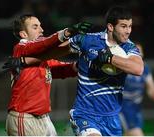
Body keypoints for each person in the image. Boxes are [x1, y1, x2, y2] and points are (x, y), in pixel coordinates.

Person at [56, 5, 144, 136]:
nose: (128, 31)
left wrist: (110, 58)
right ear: (110, 27)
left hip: (112, 118)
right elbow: (56, 50)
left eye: (130, 26)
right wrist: (66, 34)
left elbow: (138, 69)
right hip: (85, 114)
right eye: (124, 26)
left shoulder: (128, 47)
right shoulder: (88, 40)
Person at [4, 14, 92, 136]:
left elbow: (63, 69)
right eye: (35, 27)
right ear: (23, 34)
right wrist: (67, 32)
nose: (41, 30)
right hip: (24, 118)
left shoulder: (42, 59)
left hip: (44, 119)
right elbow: (44, 44)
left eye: (40, 26)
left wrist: (86, 63)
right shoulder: (20, 48)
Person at [119, 42, 154, 136]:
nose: (138, 54)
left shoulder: (145, 69)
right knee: (136, 134)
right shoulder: (123, 66)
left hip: (136, 108)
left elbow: (152, 89)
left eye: (139, 52)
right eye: (135, 52)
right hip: (122, 106)